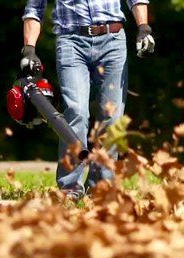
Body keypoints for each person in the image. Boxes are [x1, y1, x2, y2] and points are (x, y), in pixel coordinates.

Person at [21, 0, 155, 199]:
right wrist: (29, 50)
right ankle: (69, 188)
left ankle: (101, 187)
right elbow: (34, 8)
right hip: (71, 42)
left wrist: (143, 27)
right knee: (76, 112)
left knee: (111, 116)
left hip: (113, 40)